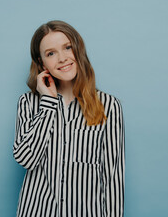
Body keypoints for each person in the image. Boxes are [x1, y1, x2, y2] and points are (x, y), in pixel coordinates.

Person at [13, 20, 125, 217]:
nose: (62, 58)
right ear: (42, 63)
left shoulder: (109, 106)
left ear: (78, 50)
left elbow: (113, 177)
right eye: (51, 53)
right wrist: (48, 102)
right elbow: (26, 159)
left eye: (67, 48)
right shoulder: (28, 103)